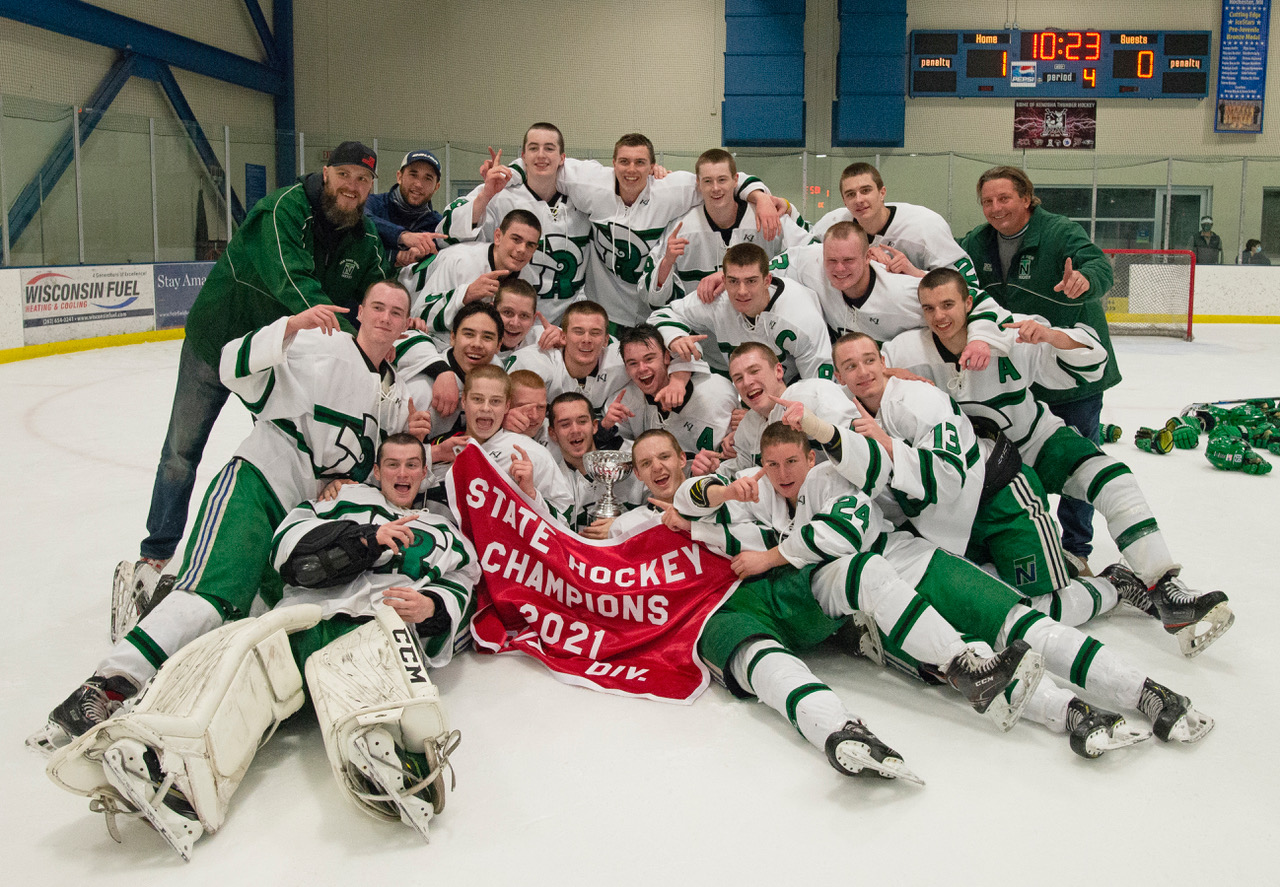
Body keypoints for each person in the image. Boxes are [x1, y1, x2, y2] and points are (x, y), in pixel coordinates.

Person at [45, 434, 478, 857]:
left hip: (375, 625)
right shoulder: (327, 505)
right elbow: (294, 560)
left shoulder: (447, 533)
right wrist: (366, 540)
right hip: (301, 621)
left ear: (425, 472)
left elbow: (461, 584)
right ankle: (167, 768)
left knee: (371, 687)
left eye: (411, 465)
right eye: (392, 464)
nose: (402, 473)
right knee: (235, 675)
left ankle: (391, 757)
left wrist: (431, 607)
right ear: (377, 470)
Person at [43, 280, 422, 746]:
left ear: (406, 324)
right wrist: (288, 327)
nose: (386, 317)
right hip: (261, 483)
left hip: (303, 522)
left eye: (396, 311)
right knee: (212, 598)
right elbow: (232, 366)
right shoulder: (319, 346)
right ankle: (103, 686)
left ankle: (161, 618)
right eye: (377, 307)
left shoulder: (396, 392)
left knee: (255, 620)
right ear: (359, 312)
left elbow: (379, 463)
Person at [882, 267, 1234, 658]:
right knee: (1015, 590)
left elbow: (1092, 357)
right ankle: (1105, 583)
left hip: (1034, 440)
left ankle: (1163, 585)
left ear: (969, 303)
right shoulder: (905, 352)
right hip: (978, 476)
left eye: (948, 304)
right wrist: (889, 379)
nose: (939, 316)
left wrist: (1050, 335)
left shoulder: (1008, 334)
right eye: (929, 308)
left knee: (1111, 478)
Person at [114, 141, 392, 626]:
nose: (353, 186)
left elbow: (376, 294)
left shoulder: (364, 235)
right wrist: (350, 342)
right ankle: (156, 555)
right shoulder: (284, 208)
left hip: (279, 362)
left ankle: (281, 553)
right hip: (219, 339)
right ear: (325, 173)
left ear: (371, 187)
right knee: (181, 451)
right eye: (345, 174)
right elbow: (292, 280)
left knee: (285, 450)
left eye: (363, 180)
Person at [958, 165, 1117, 576]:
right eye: (987, 201)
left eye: (1004, 198)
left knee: (1078, 458)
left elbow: (1098, 264)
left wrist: (1085, 280)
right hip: (1019, 372)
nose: (995, 208)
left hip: (1069, 370)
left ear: (1027, 198)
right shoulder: (977, 242)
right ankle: (1033, 536)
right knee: (1024, 458)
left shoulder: (1060, 232)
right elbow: (946, 274)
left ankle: (1076, 547)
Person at [554, 133, 782, 328]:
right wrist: (516, 171)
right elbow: (545, 164)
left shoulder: (670, 189)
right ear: (613, 163)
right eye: (624, 161)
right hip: (606, 311)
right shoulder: (591, 183)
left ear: (653, 166)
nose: (631, 170)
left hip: (650, 312)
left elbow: (720, 180)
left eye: (640, 162)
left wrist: (760, 196)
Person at [773, 221, 1002, 369]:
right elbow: (778, 264)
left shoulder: (901, 291)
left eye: (849, 261)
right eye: (831, 260)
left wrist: (980, 338)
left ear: (867, 258)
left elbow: (975, 298)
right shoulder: (811, 263)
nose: (839, 269)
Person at [438, 123, 590, 321]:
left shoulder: (583, 200)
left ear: (562, 158)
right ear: (523, 156)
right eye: (533, 148)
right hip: (513, 319)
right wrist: (487, 194)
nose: (541, 155)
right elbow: (446, 236)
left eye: (549, 148)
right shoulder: (500, 195)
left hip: (566, 321)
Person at [643, 148, 809, 305]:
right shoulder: (681, 229)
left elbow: (810, 253)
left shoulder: (766, 217)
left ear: (735, 180)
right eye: (708, 181)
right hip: (702, 330)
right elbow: (651, 297)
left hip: (762, 327)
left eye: (722, 180)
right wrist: (667, 262)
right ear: (698, 184)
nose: (715, 188)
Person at [650, 242, 834, 380]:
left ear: (767, 280)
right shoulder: (718, 300)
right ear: (723, 280)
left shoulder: (801, 317)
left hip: (793, 397)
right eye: (733, 281)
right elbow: (660, 315)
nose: (742, 291)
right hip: (745, 394)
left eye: (751, 281)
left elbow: (822, 388)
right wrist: (674, 337)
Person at [807, 161, 978, 288]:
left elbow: (968, 285)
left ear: (882, 193)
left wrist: (916, 274)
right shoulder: (834, 223)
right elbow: (803, 249)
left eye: (866, 191)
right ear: (844, 201)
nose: (859, 200)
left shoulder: (925, 225)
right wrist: (788, 209)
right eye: (851, 194)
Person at [401, 209, 543, 346]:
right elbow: (418, 316)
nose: (522, 250)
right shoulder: (459, 261)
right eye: (516, 239)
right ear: (498, 237)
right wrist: (466, 294)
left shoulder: (528, 277)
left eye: (530, 245)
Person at [602, 324, 738, 456]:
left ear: (667, 357)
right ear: (626, 369)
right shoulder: (622, 402)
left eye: (649, 359)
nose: (642, 368)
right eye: (633, 363)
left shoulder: (717, 390)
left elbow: (740, 447)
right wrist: (605, 428)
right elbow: (613, 457)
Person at [546, 392, 644, 536]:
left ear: (594, 426)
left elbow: (665, 511)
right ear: (553, 433)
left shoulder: (632, 460)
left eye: (582, 421)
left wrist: (623, 526)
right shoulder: (553, 483)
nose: (575, 430)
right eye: (565, 424)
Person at [364, 149, 445, 266]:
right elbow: (362, 219)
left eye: (428, 178)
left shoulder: (437, 225)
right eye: (413, 175)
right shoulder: (373, 203)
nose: (418, 184)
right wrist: (402, 237)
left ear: (436, 187)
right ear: (399, 177)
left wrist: (424, 254)